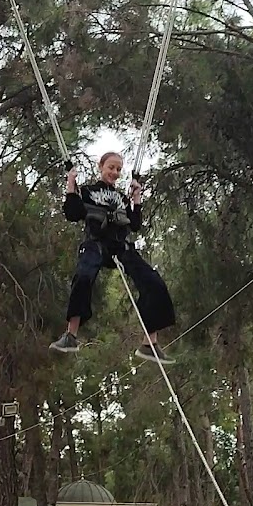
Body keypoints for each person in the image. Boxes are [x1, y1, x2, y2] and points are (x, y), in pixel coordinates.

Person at [50, 152, 176, 362]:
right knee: (83, 277)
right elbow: (72, 213)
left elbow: (134, 224)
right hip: (96, 243)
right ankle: (70, 335)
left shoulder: (122, 199)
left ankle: (150, 344)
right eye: (111, 168)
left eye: (118, 169)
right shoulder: (88, 191)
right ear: (101, 166)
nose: (115, 173)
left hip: (120, 246)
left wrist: (136, 198)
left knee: (154, 283)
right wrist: (71, 184)